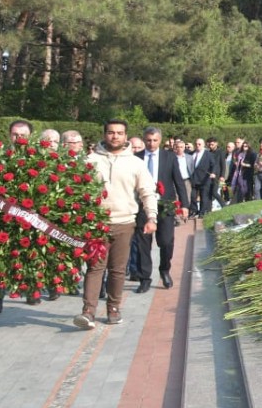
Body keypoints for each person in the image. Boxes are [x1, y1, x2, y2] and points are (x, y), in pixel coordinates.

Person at [76, 120, 157, 328]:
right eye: (111, 132)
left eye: (119, 133)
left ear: (126, 136)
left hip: (125, 222)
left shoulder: (135, 163)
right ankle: (88, 312)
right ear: (104, 135)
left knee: (118, 269)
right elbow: (77, 190)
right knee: (94, 267)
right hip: (97, 223)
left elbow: (147, 192)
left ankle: (113, 308)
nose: (115, 137)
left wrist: (151, 217)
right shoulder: (90, 160)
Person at [134, 126, 189, 292]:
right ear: (144, 140)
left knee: (166, 241)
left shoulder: (169, 157)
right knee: (143, 243)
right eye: (148, 140)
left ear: (160, 140)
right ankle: (145, 278)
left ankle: (164, 270)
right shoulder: (136, 158)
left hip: (165, 204)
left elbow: (178, 181)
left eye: (155, 140)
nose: (151, 144)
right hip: (142, 205)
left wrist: (185, 205)